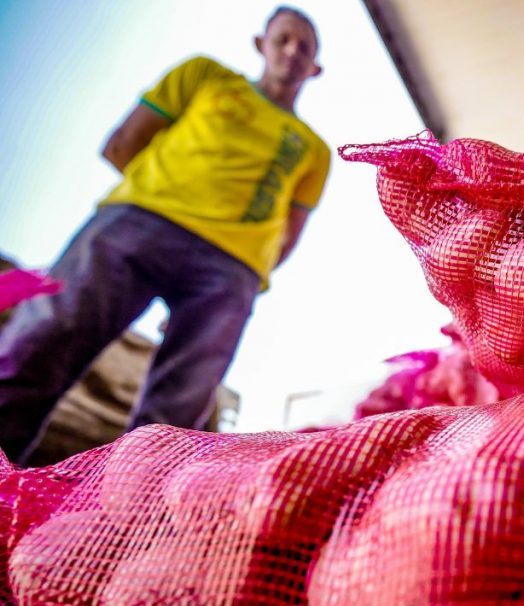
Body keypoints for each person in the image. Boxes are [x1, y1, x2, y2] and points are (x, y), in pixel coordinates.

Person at [0, 6, 331, 465]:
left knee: (176, 415)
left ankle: (126, 522)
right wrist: (163, 197)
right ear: (261, 45)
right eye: (284, 39)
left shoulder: (313, 149)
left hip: (229, 271)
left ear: (315, 68)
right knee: (43, 344)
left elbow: (288, 233)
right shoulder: (204, 76)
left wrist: (239, 275)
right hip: (135, 225)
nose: (293, 52)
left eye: (305, 47)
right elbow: (124, 142)